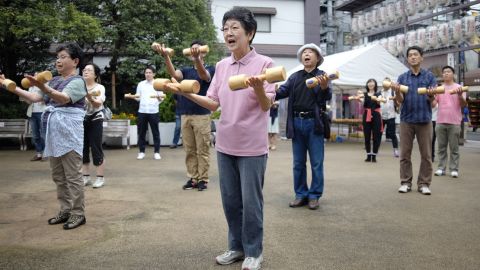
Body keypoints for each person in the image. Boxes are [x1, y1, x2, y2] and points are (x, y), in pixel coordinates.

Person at [164, 7, 274, 270]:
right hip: (225, 144)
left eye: (235, 28)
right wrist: (185, 93)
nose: (228, 33)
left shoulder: (265, 64)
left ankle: (254, 252)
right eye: (225, 29)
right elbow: (212, 103)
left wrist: (258, 87)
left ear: (250, 33)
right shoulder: (223, 66)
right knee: (231, 201)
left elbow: (266, 104)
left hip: (252, 147)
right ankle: (236, 248)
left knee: (251, 203)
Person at [4, 43, 87, 229]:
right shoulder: (55, 80)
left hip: (70, 133)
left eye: (64, 56)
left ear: (75, 61)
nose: (58, 60)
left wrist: (42, 86)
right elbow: (34, 98)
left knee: (73, 176)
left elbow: (64, 98)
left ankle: (78, 213)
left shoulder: (78, 81)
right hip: (53, 133)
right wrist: (9, 85)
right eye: (58, 57)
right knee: (58, 176)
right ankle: (65, 210)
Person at [276, 43, 332, 210]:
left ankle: (314, 195)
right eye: (304, 53)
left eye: (310, 52)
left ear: (317, 58)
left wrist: (323, 87)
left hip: (314, 123)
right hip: (296, 122)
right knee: (298, 163)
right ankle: (300, 194)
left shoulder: (322, 76)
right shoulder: (294, 77)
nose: (306, 55)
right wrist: (267, 88)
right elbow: (281, 92)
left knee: (316, 162)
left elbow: (326, 96)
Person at [153, 40, 215, 191]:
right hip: (185, 115)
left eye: (197, 50)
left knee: (202, 149)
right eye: (192, 50)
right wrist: (166, 56)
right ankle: (193, 178)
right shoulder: (186, 70)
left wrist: (198, 58)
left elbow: (203, 75)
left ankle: (203, 179)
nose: (194, 52)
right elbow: (174, 74)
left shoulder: (210, 69)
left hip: (202, 115)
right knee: (189, 150)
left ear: (203, 52)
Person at [391, 46, 437, 195]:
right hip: (406, 120)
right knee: (405, 154)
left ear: (421, 57)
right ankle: (405, 182)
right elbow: (400, 101)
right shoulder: (402, 78)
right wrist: (397, 92)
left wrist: (430, 94)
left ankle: (424, 183)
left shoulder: (429, 77)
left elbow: (433, 101)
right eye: (410, 55)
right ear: (408, 59)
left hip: (424, 120)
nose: (413, 57)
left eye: (415, 54)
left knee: (426, 155)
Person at [433, 66, 467, 178]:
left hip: (454, 122)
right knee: (441, 147)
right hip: (440, 121)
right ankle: (441, 168)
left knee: (454, 148)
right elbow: (433, 104)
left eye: (448, 72)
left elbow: (463, 105)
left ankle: (454, 169)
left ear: (453, 74)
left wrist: (459, 95)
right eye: (444, 72)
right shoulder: (439, 88)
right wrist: (430, 95)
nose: (446, 74)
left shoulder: (459, 88)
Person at [82, 63, 107, 188]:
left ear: (95, 75)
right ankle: (85, 177)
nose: (85, 72)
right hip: (82, 119)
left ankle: (100, 178)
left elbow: (97, 104)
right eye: (84, 70)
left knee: (96, 147)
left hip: (96, 118)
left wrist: (88, 97)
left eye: (89, 70)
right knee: (83, 148)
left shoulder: (100, 88)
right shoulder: (79, 87)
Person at [135, 66, 163, 160]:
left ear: (154, 74)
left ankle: (157, 152)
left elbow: (162, 98)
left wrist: (159, 98)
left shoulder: (157, 84)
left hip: (153, 111)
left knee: (155, 132)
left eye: (150, 72)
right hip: (142, 111)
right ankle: (141, 152)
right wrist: (134, 97)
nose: (148, 74)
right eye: (146, 72)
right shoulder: (141, 84)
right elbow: (138, 97)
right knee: (141, 132)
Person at [358, 78, 383, 162]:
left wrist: (378, 99)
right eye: (369, 83)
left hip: (376, 115)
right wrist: (359, 99)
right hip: (367, 115)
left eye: (372, 83)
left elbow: (380, 102)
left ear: (375, 85)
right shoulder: (364, 94)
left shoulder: (378, 94)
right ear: (367, 84)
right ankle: (368, 155)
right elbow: (362, 102)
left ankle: (374, 155)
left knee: (377, 136)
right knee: (367, 136)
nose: (371, 84)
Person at [23, 74, 46, 161]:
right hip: (32, 113)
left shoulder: (43, 86)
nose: (35, 77)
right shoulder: (30, 87)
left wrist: (43, 99)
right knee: (35, 135)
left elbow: (49, 97)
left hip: (42, 112)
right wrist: (25, 98)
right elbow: (29, 101)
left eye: (37, 76)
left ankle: (45, 154)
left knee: (43, 135)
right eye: (35, 76)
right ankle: (39, 154)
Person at [380, 78, 399, 158]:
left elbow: (397, 104)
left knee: (392, 134)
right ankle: (375, 149)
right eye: (385, 81)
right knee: (379, 133)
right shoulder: (379, 92)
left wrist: (394, 99)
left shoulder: (393, 92)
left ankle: (396, 150)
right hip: (381, 116)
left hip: (391, 116)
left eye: (388, 82)